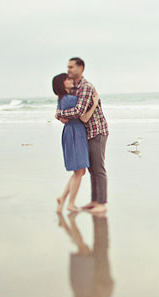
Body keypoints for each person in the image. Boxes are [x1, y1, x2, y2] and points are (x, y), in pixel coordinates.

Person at [56, 57, 110, 214]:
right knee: (91, 168)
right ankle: (94, 200)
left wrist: (60, 113)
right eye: (68, 67)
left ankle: (102, 202)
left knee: (98, 168)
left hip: (96, 131)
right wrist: (59, 113)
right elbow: (62, 102)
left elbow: (78, 112)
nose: (69, 70)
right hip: (83, 133)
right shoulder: (73, 88)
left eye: (72, 67)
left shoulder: (85, 87)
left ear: (81, 68)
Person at [51, 72, 100, 212]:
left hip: (72, 132)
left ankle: (62, 198)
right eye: (66, 79)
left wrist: (59, 115)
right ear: (62, 84)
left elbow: (61, 113)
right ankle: (70, 203)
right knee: (79, 171)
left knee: (79, 171)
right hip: (75, 133)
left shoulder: (62, 99)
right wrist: (95, 103)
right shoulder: (70, 99)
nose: (70, 80)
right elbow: (82, 115)